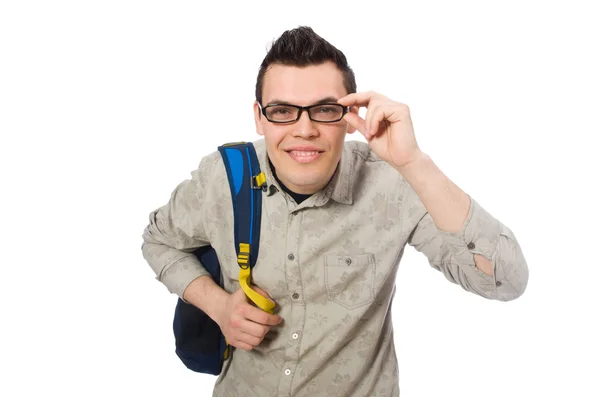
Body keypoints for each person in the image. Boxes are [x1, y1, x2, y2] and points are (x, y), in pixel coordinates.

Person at [141, 26, 528, 397]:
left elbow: (505, 281)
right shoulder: (223, 178)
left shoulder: (393, 183)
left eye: (325, 110)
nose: (305, 129)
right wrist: (219, 306)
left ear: (349, 115)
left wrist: (414, 163)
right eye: (282, 111)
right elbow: (158, 241)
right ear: (259, 117)